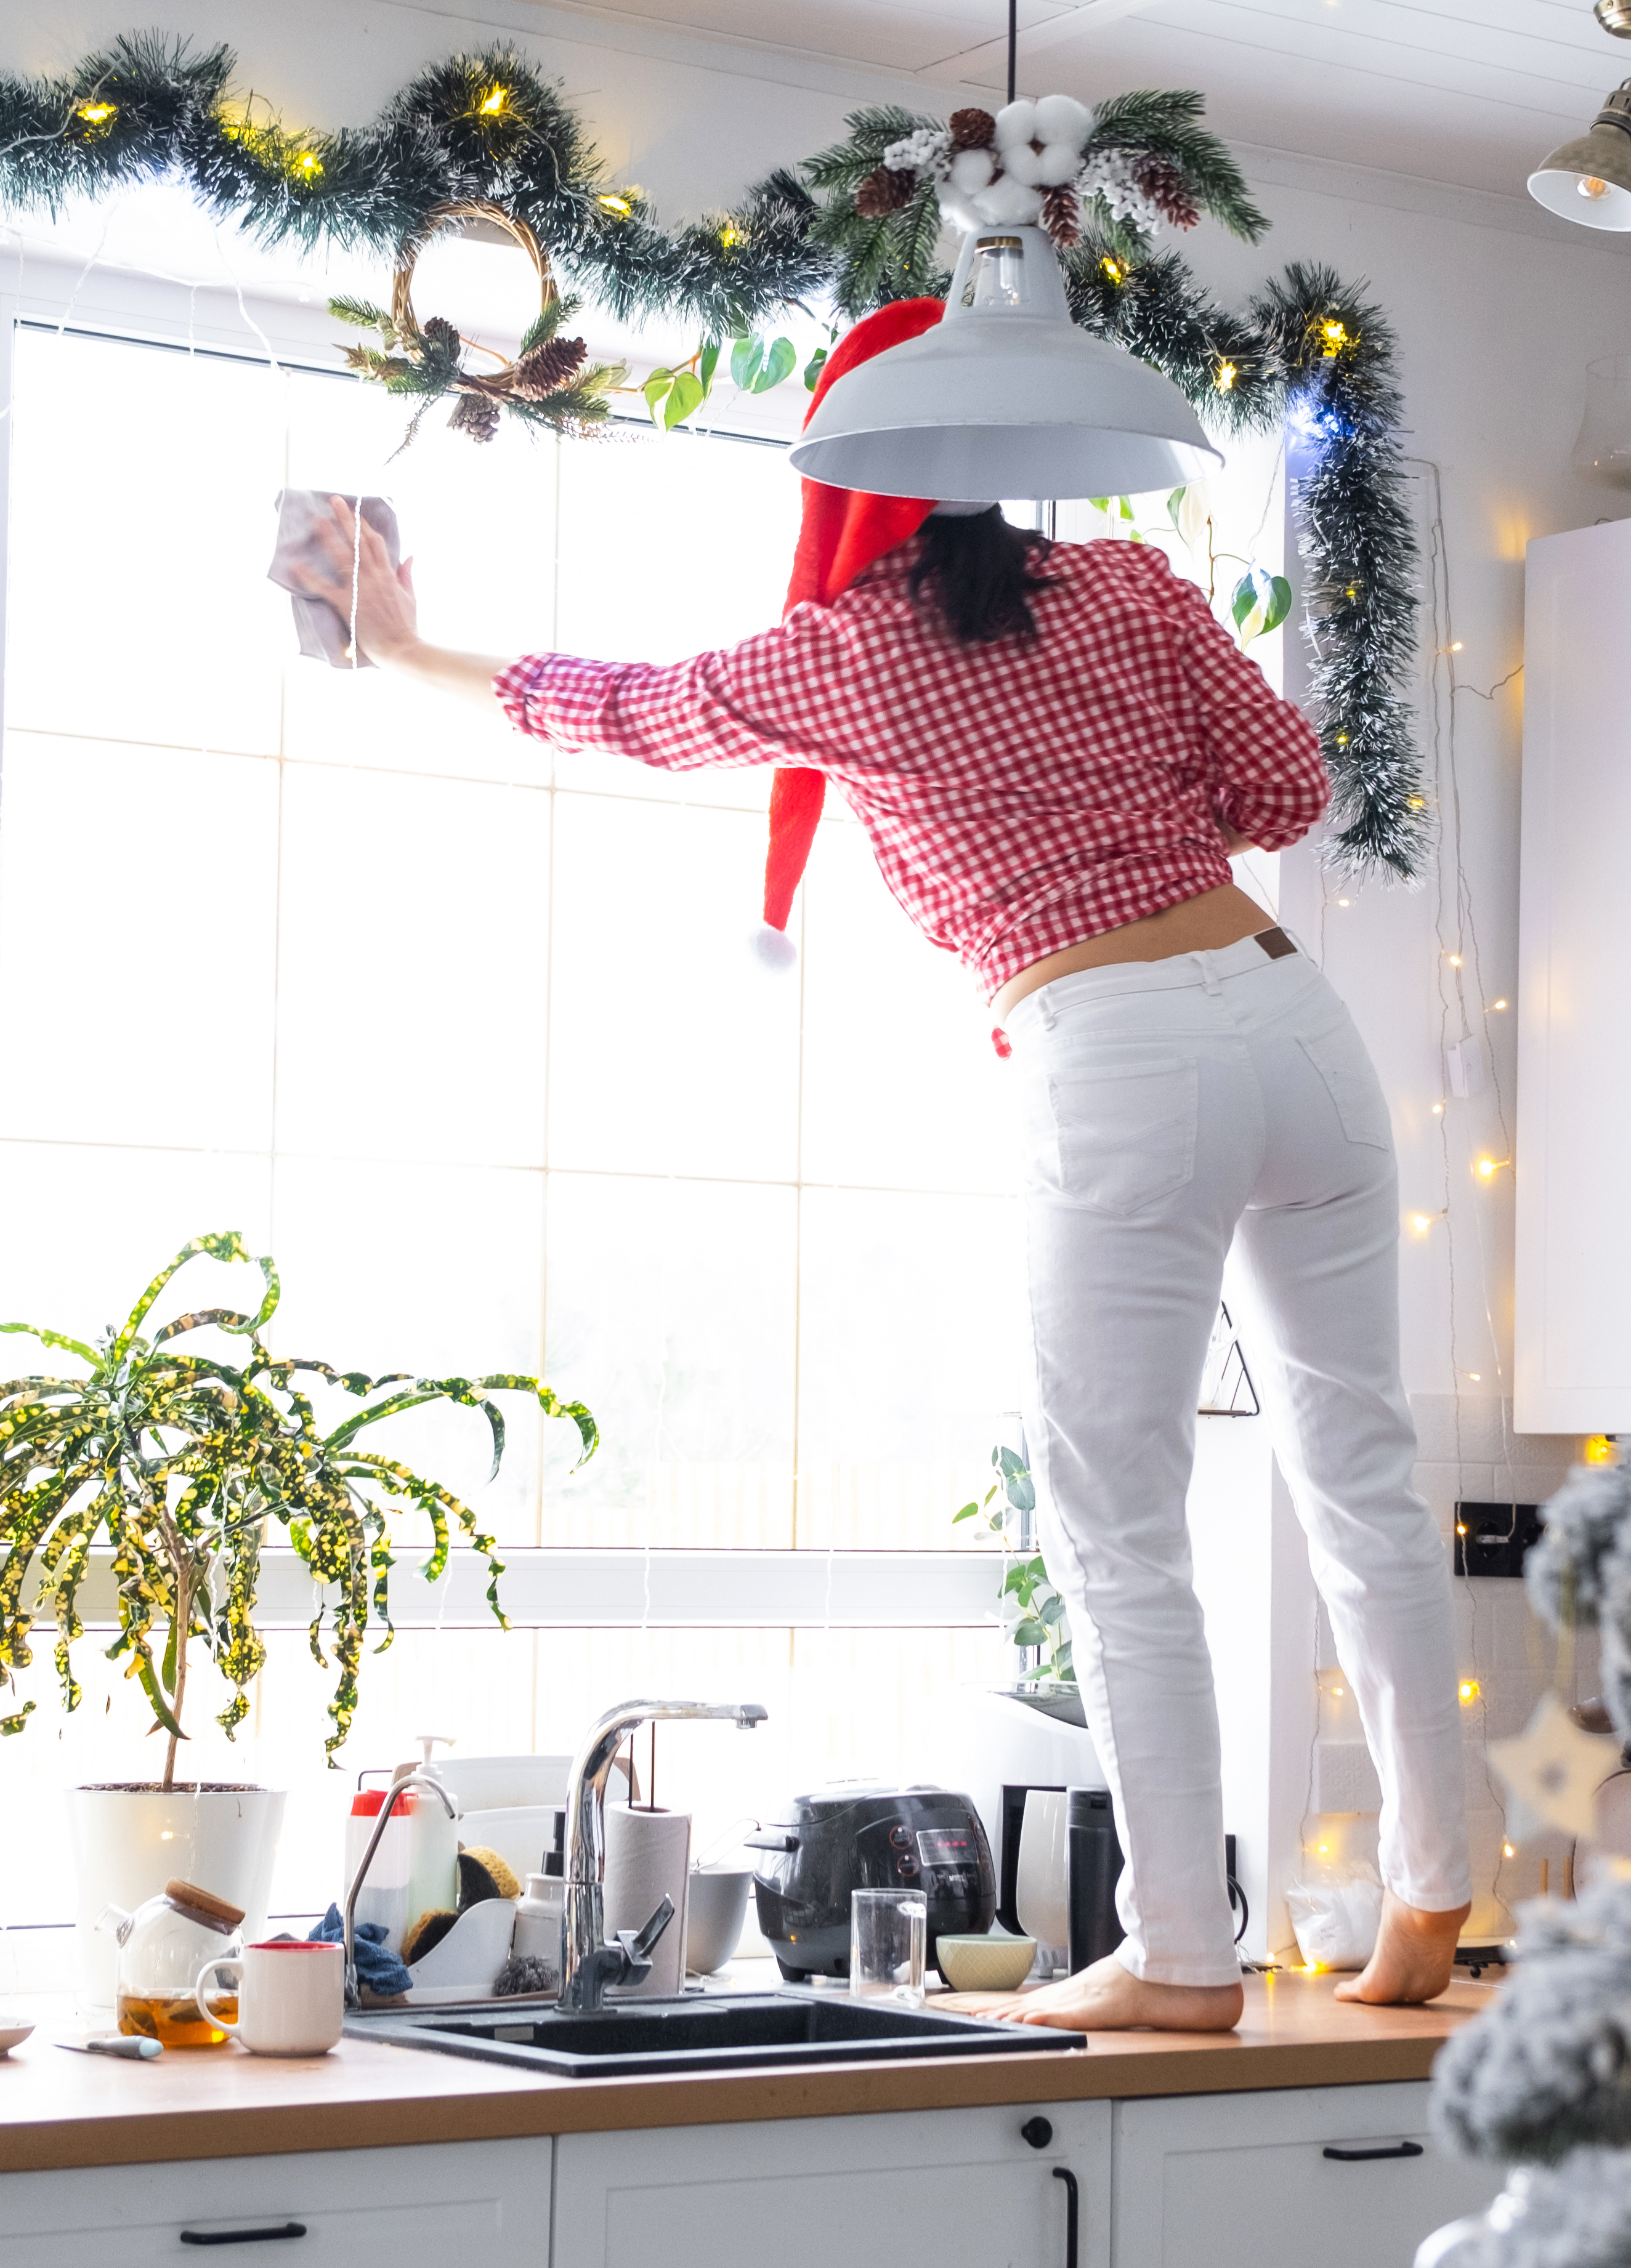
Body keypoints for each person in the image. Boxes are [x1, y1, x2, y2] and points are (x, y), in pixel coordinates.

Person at [283, 442, 1469, 2034]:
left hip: (1111, 1045)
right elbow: (1287, 789)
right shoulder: (1125, 579)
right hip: (1294, 1024)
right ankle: (1434, 1884)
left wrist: (410, 645)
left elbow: (626, 709)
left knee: (1119, 1522)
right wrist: (1131, 783)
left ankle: (1184, 1953)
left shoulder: (850, 651)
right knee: (1363, 1472)